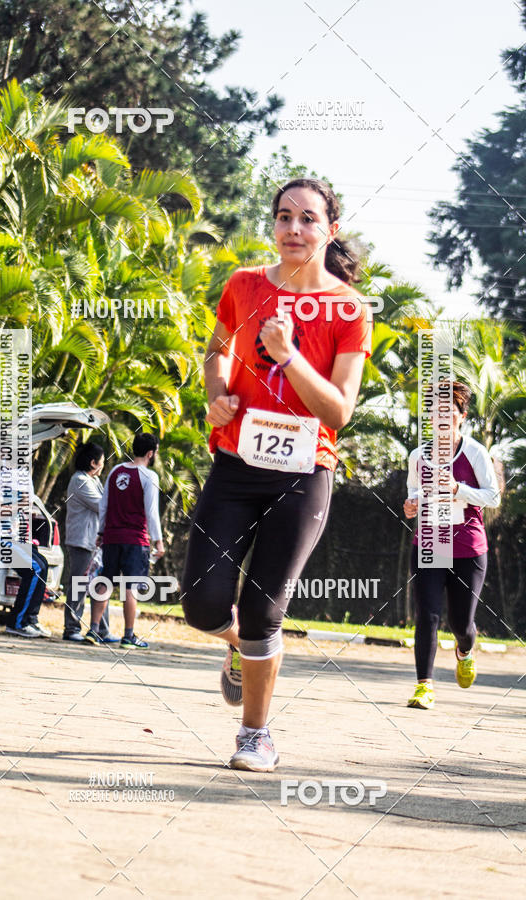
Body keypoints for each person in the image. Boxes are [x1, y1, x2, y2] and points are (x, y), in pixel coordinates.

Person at [180, 177, 372, 772]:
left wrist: (288, 355)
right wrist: (216, 395)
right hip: (236, 464)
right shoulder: (242, 286)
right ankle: (240, 649)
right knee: (201, 605)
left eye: (308, 219)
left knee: (266, 609)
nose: (295, 228)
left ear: (329, 230)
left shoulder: (349, 310)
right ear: (273, 225)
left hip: (303, 472)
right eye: (284, 217)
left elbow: (339, 410)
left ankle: (255, 735)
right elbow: (214, 352)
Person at [404, 381, 501, 710]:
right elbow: (413, 492)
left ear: (461, 417)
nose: (441, 418)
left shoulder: (474, 453)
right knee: (427, 615)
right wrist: (411, 505)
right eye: (435, 413)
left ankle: (464, 649)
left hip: (468, 547)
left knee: (460, 622)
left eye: (449, 413)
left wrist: (459, 488)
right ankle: (424, 686)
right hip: (431, 541)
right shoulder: (418, 456)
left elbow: (493, 495)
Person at [88, 433, 165, 648]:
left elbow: (104, 505)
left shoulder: (114, 471)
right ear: (151, 453)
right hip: (135, 540)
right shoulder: (149, 476)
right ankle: (128, 636)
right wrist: (158, 541)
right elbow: (151, 512)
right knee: (130, 588)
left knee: (105, 582)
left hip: (112, 537)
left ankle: (93, 630)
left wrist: (101, 532)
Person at [63, 441, 118, 643]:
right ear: (93, 462)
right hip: (82, 541)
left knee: (100, 585)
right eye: (102, 462)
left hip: (94, 541)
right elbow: (101, 505)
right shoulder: (80, 481)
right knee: (78, 585)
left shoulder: (92, 480)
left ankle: (102, 630)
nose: (103, 465)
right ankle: (71, 628)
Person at [0, 468, 50, 638]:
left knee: (43, 565)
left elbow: (26, 506)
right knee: (35, 568)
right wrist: (20, 504)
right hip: (0, 541)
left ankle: (31, 619)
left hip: (16, 539)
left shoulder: (20, 476)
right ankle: (17, 623)